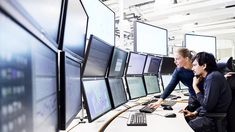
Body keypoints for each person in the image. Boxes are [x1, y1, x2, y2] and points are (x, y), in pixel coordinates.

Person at [180, 52, 232, 132]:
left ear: (204, 66)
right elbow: (209, 101)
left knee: (185, 127)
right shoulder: (212, 76)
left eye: (194, 65)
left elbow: (207, 105)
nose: (192, 68)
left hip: (213, 120)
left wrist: (195, 86)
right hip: (211, 116)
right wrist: (195, 112)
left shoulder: (212, 78)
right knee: (186, 120)